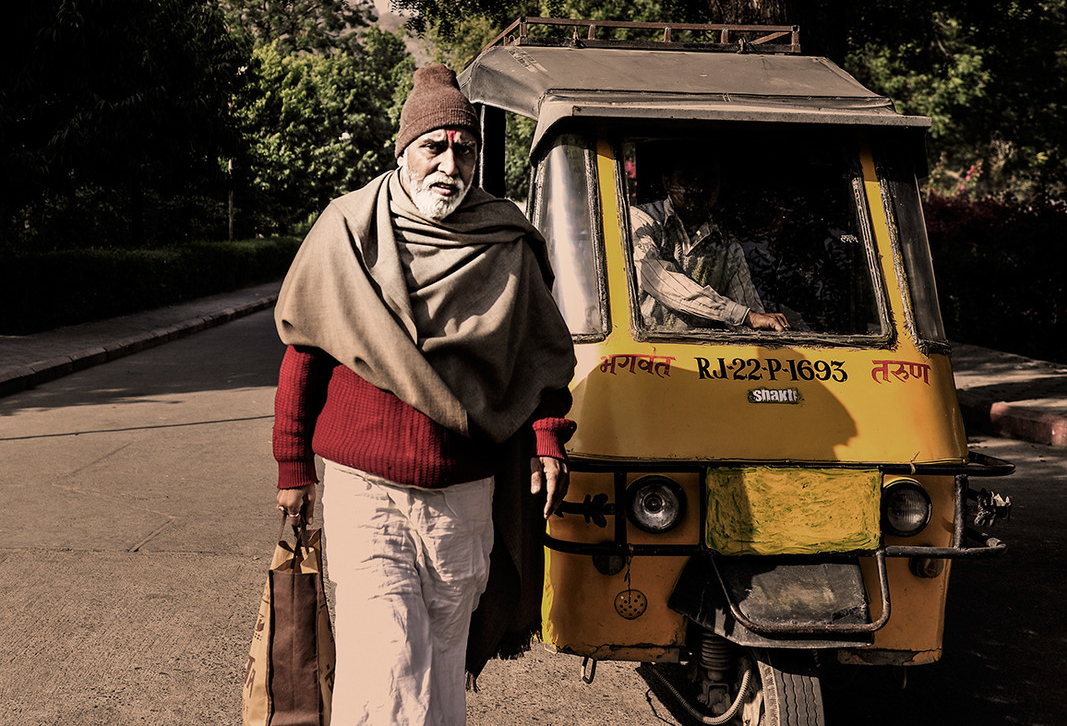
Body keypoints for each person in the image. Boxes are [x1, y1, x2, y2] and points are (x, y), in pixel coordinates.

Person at [271, 63, 577, 726]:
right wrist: (293, 466)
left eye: (463, 148)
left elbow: (540, 360)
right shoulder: (347, 231)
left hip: (464, 495)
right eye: (433, 146)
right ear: (403, 151)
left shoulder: (508, 240)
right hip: (365, 491)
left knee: (440, 672)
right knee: (387, 677)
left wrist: (548, 439)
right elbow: (304, 355)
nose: (449, 162)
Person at [629, 146, 788, 332]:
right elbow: (660, 280)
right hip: (646, 353)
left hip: (704, 355)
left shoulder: (726, 245)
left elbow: (751, 314)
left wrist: (760, 323)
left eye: (708, 180)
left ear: (719, 186)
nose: (697, 188)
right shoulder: (640, 220)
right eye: (686, 179)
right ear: (667, 182)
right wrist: (741, 315)